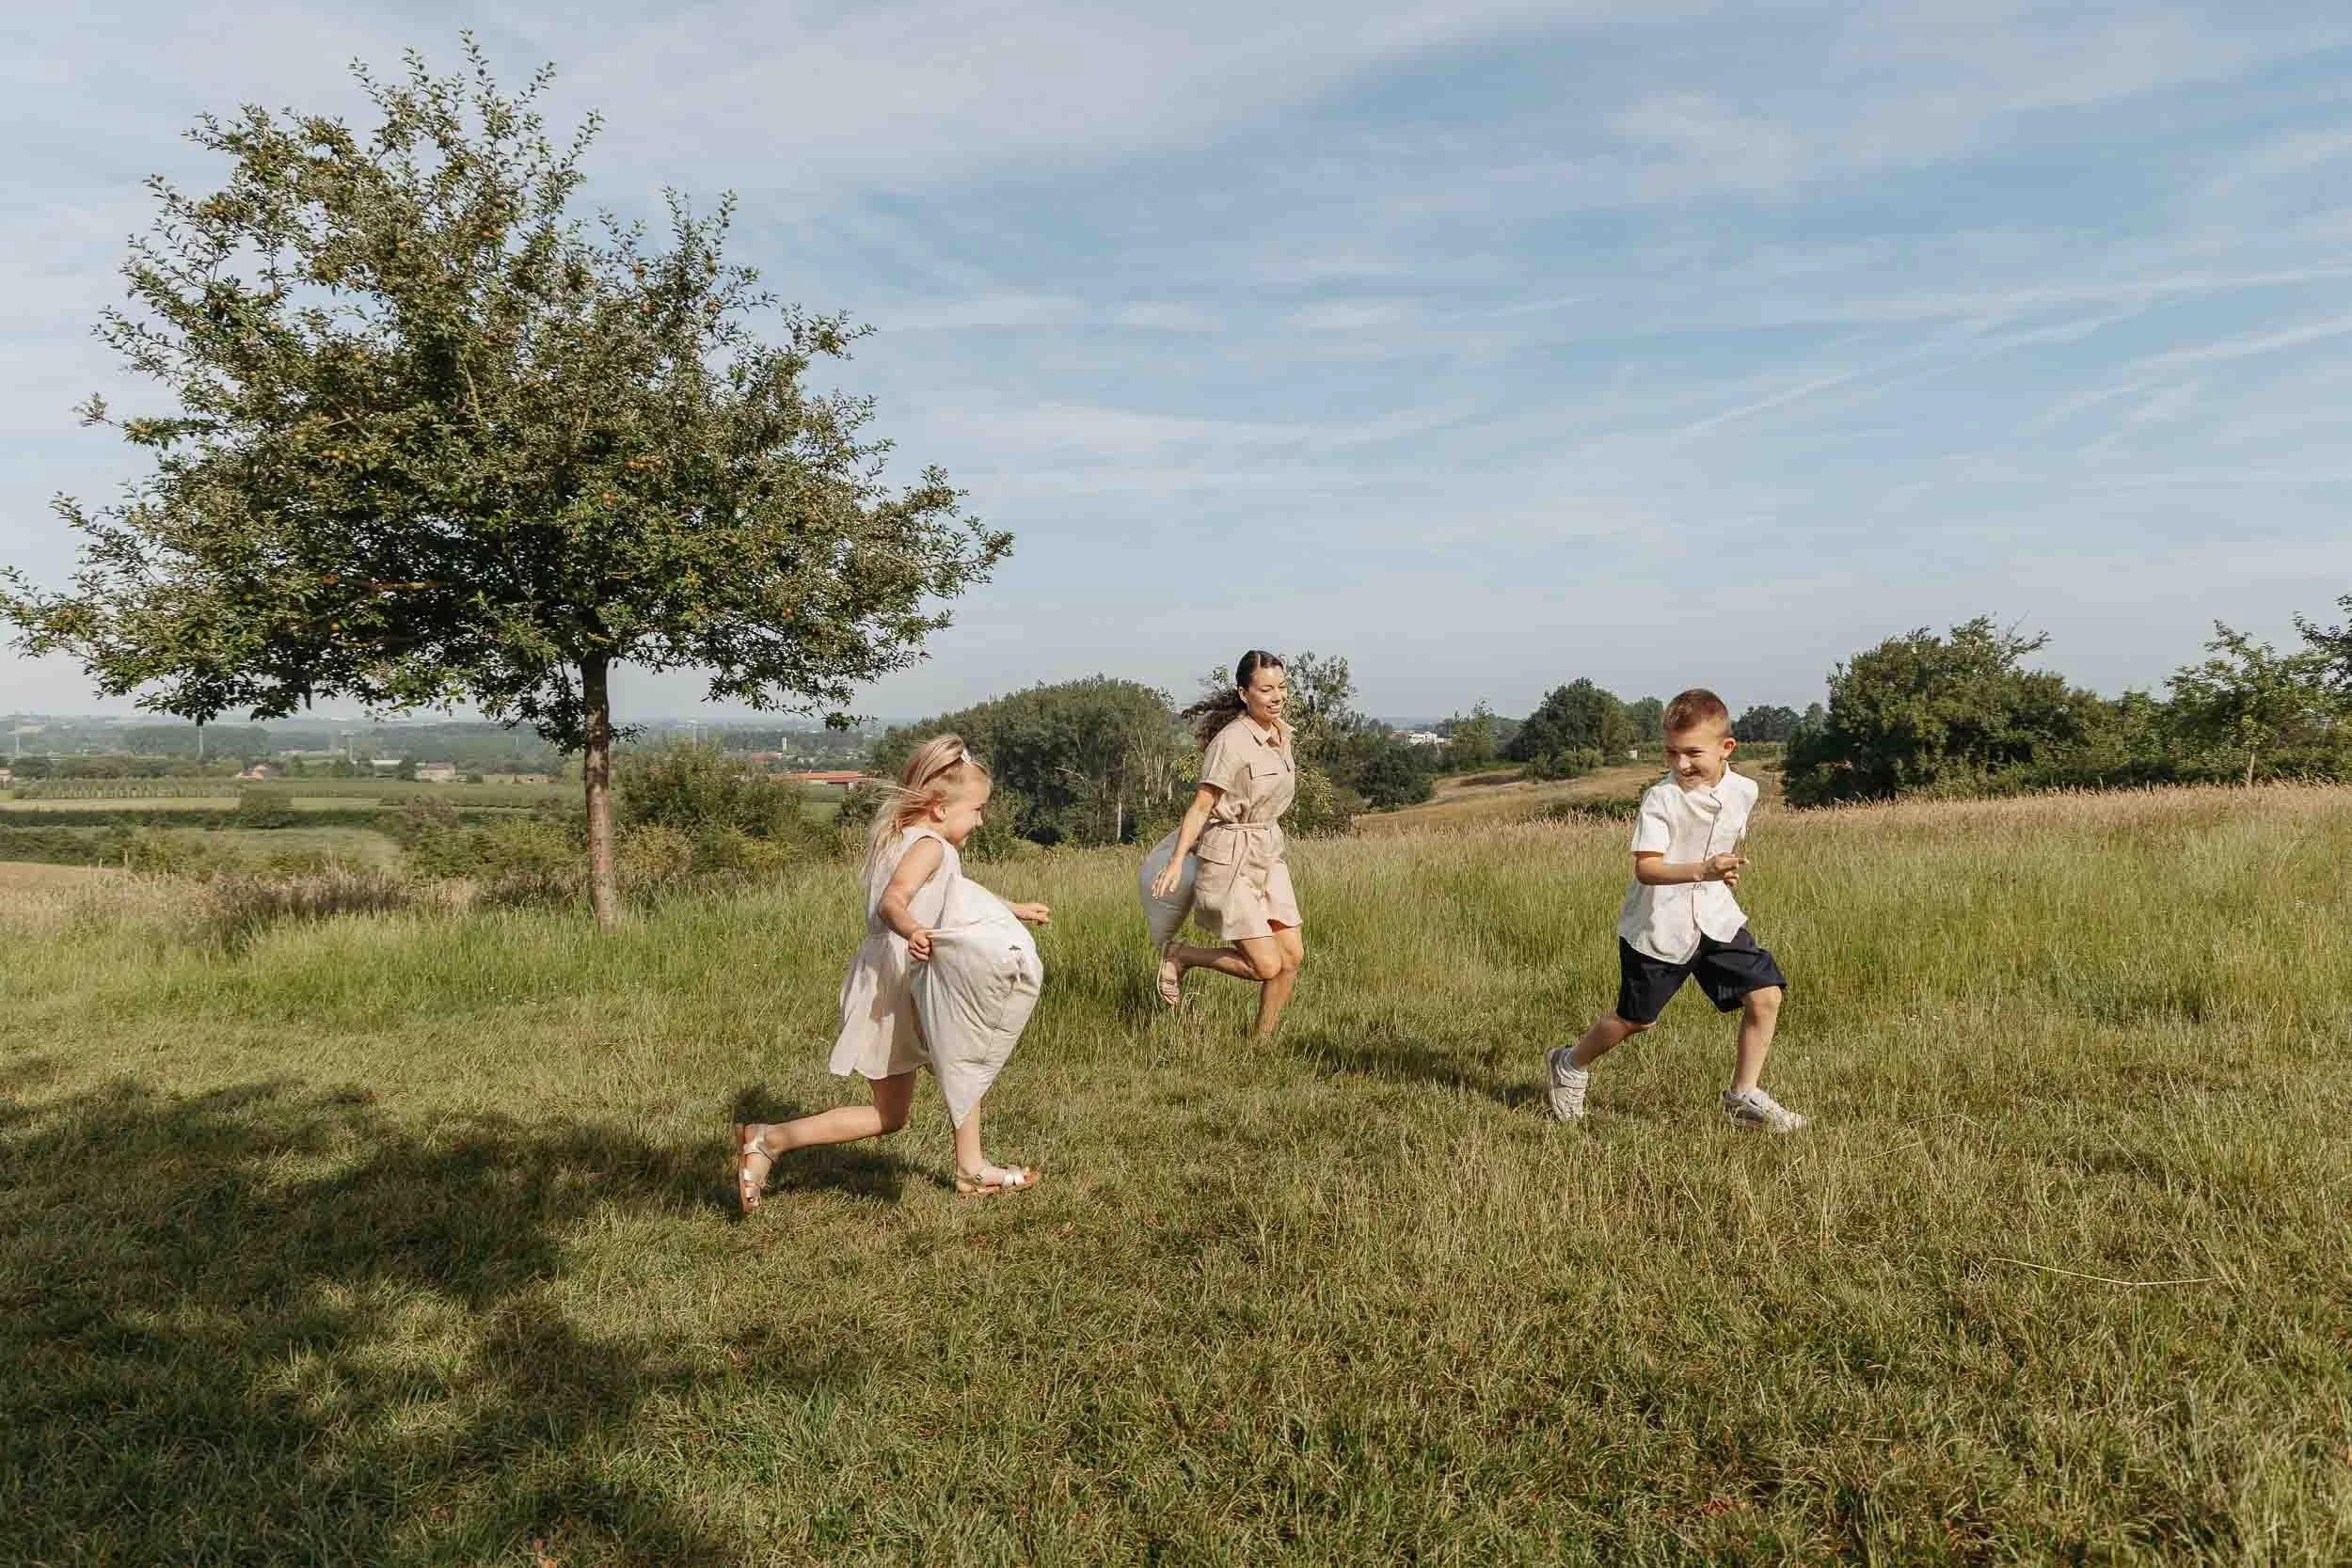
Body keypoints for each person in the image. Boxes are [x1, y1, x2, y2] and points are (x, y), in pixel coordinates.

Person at [734, 736, 1051, 1210]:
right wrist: (914, 929)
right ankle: (769, 1139)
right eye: (978, 809)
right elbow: (893, 902)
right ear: (941, 808)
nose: (982, 820)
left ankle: (971, 1167)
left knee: (958, 1062)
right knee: (892, 1113)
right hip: (901, 976)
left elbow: (955, 889)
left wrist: (1013, 907)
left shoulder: (904, 839)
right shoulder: (931, 847)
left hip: (895, 972)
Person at [1544, 689, 1806, 1132]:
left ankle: (1743, 1096)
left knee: (1766, 996)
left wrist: (1720, 872)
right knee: (1635, 1019)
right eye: (1671, 752)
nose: (1681, 764)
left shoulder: (1745, 790)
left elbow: (1722, 839)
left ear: (1727, 748)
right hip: (1659, 925)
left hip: (1717, 918)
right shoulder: (1659, 800)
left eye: (1693, 753)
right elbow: (1647, 869)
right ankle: (1569, 1064)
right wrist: (1704, 868)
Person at [1149, 650, 1306, 1037]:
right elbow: (1202, 806)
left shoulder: (1282, 735)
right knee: (1265, 966)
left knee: (1292, 958)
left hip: (1268, 852)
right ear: (1243, 693)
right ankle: (1181, 955)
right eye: (1265, 689)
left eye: (1281, 687)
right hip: (1230, 858)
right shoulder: (1231, 742)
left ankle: (1261, 1041)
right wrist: (1175, 862)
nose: (1276, 696)